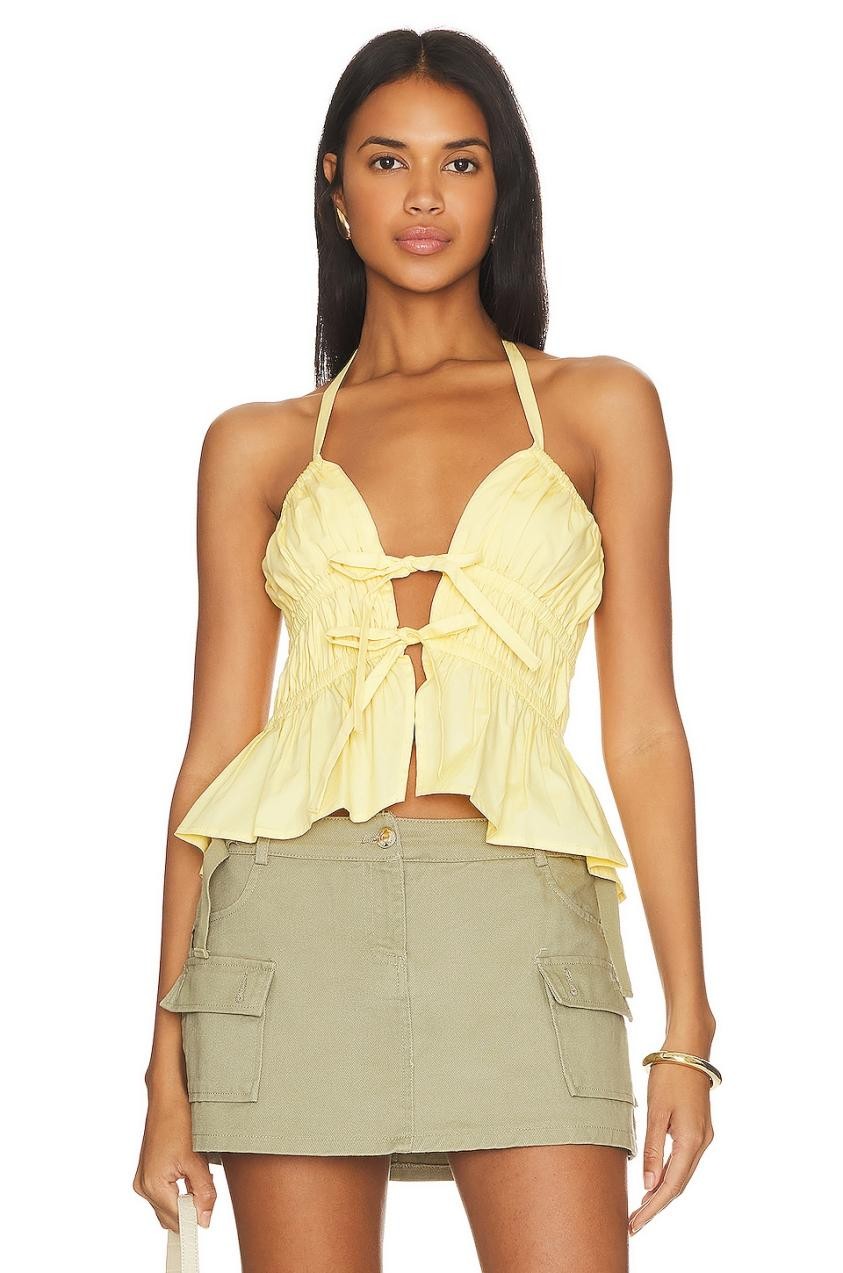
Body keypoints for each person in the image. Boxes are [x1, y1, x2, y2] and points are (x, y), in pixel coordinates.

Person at [135, 27, 720, 1272]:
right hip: (288, 934)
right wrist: (162, 1068)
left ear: (503, 189)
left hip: (521, 926)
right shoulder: (255, 444)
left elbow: (645, 730)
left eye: (460, 162)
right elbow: (214, 756)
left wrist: (688, 1029)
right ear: (335, 184)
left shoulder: (601, 408)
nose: (422, 197)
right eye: (388, 160)